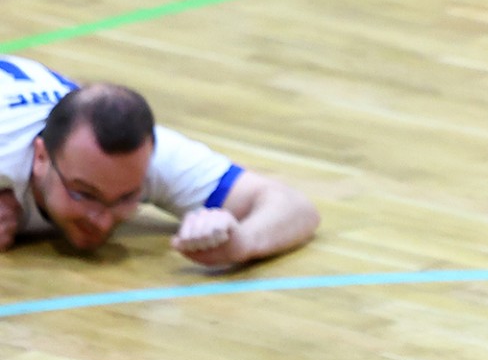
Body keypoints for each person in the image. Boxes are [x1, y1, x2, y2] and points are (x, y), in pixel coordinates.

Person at [0, 54, 319, 265]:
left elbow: (294, 207)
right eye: (84, 194)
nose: (102, 221)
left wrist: (245, 242)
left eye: (126, 198)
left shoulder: (141, 157)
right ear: (41, 157)